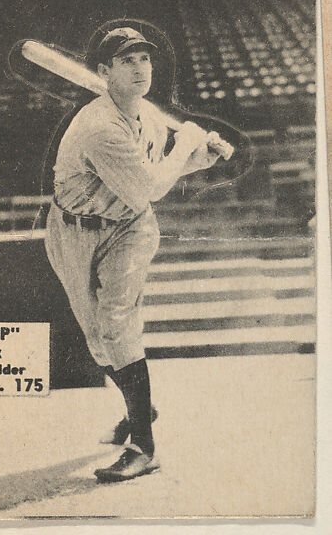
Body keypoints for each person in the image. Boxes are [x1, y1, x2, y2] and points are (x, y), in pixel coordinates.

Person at [45, 26, 221, 482]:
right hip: (72, 230)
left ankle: (143, 445)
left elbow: (154, 181)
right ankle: (139, 406)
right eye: (127, 61)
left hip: (129, 227)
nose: (140, 67)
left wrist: (205, 155)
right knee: (95, 336)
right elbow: (150, 185)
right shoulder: (99, 126)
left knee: (116, 325)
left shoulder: (150, 116)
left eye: (144, 59)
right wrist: (188, 143)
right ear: (103, 72)